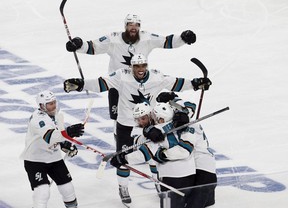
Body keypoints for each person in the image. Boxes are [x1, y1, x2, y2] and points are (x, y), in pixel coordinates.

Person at [63, 53, 211, 205]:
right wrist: (81, 85)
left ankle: (159, 182)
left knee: (154, 155)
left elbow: (176, 83)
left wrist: (195, 83)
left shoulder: (156, 76)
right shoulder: (121, 76)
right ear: (131, 67)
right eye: (137, 66)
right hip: (126, 126)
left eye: (143, 65)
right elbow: (101, 83)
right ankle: (123, 187)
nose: (140, 69)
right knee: (123, 159)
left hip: (150, 123)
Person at [65, 13, 197, 130]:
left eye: (136, 25)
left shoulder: (147, 38)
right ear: (125, 26)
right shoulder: (113, 39)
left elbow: (167, 41)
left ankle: (147, 141)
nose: (133, 27)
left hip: (140, 82)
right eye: (130, 24)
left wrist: (183, 38)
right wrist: (79, 45)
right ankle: (121, 140)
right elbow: (93, 47)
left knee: (145, 113)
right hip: (117, 83)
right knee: (118, 116)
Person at [20, 90, 85, 208]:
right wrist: (68, 132)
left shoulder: (56, 114)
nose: (54, 105)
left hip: (54, 158)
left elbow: (57, 135)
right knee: (42, 193)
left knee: (68, 190)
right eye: (50, 104)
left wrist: (64, 144)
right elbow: (50, 136)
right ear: (41, 106)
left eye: (54, 102)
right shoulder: (38, 119)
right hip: (35, 161)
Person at [156, 92, 217, 208]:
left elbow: (183, 151)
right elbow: (189, 108)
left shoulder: (189, 127)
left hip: (202, 173)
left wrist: (162, 155)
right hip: (205, 171)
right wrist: (173, 97)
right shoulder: (188, 123)